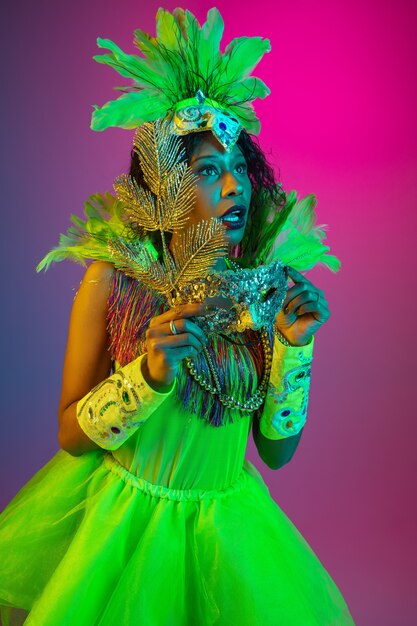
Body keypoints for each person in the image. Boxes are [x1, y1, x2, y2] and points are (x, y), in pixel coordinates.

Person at [0, 8, 355, 625]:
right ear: (163, 187)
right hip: (125, 528)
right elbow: (69, 435)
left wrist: (296, 348)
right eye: (207, 170)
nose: (234, 187)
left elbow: (276, 453)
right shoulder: (113, 283)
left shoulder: (261, 296)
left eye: (239, 167)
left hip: (229, 527)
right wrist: (148, 376)